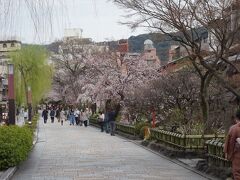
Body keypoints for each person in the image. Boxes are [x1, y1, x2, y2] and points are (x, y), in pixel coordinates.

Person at [224, 109, 240, 180]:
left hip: (237, 155)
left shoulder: (234, 128)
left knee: (237, 173)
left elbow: (230, 142)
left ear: (237, 118)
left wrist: (228, 154)